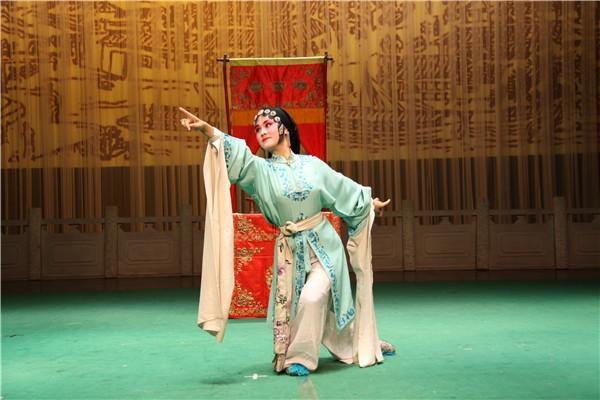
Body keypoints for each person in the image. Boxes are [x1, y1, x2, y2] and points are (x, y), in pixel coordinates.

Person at [180, 106, 394, 376]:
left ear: (284, 128)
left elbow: (342, 188)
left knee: (313, 298)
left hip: (325, 248)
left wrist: (369, 203)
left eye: (268, 125)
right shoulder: (260, 170)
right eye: (257, 129)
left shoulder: (313, 165)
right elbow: (237, 154)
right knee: (306, 306)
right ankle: (360, 342)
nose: (261, 132)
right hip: (291, 250)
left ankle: (300, 358)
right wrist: (208, 131)